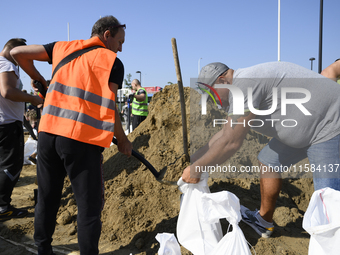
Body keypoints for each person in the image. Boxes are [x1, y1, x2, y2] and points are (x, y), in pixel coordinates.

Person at [10, 15, 132, 255]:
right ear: (106, 35)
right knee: (89, 206)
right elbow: (110, 106)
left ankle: (42, 250)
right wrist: (124, 140)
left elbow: (17, 53)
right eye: (120, 41)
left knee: (47, 198)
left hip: (47, 135)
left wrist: (40, 79)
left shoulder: (62, 48)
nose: (121, 48)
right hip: (81, 141)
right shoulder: (112, 62)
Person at [182, 61, 340, 238]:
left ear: (222, 81)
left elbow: (231, 141)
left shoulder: (245, 86)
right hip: (306, 128)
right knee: (268, 162)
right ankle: (264, 222)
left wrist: (197, 169)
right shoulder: (240, 87)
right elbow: (225, 133)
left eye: (212, 93)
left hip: (329, 125)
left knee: (328, 201)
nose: (213, 100)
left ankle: (332, 243)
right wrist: (195, 158)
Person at [0, 38, 43, 221]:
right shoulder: (6, 64)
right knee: (11, 165)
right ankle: (2, 207)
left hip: (5, 123)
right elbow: (7, 92)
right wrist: (32, 99)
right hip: (7, 124)